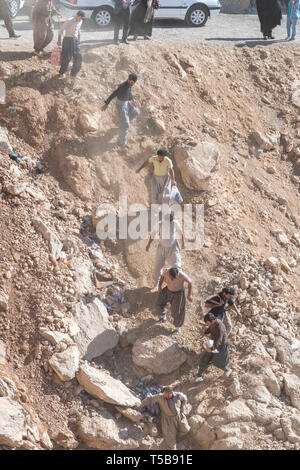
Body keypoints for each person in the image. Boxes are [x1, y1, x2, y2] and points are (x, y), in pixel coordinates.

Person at [146, 212, 184, 288]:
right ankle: (156, 284)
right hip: (162, 248)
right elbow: (153, 234)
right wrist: (148, 244)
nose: (170, 224)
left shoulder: (175, 223)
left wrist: (183, 242)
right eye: (168, 223)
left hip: (173, 248)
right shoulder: (159, 224)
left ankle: (178, 284)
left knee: (177, 266)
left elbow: (180, 232)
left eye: (171, 222)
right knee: (157, 267)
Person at [101, 73, 139, 148]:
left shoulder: (129, 85)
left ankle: (121, 123)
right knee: (126, 125)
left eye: (133, 83)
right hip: (121, 106)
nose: (132, 84)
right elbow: (113, 94)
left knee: (136, 112)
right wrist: (106, 104)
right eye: (131, 82)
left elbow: (129, 92)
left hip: (126, 103)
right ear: (129, 80)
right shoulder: (122, 87)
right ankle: (121, 142)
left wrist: (132, 99)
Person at [194, 312, 231, 382]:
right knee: (205, 359)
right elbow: (210, 328)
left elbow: (219, 341)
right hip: (213, 343)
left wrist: (211, 349)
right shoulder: (213, 323)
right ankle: (199, 376)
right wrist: (204, 333)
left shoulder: (220, 327)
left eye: (207, 323)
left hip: (220, 346)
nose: (206, 324)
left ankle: (227, 370)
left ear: (212, 321)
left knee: (218, 362)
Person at [157, 267, 192, 335]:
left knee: (177, 311)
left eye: (175, 277)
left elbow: (190, 282)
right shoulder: (166, 272)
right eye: (172, 277)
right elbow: (162, 278)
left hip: (178, 294)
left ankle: (178, 329)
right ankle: (163, 317)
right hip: (168, 290)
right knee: (159, 302)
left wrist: (189, 295)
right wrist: (159, 286)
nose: (173, 279)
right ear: (169, 274)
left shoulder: (181, 275)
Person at [57, 10, 85, 80]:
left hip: (75, 41)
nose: (81, 19)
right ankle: (61, 73)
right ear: (77, 16)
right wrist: (59, 40)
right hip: (67, 40)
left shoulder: (81, 21)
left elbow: (79, 30)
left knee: (79, 57)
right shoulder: (69, 20)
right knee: (66, 58)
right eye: (80, 18)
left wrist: (79, 39)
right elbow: (61, 30)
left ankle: (73, 74)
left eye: (82, 18)